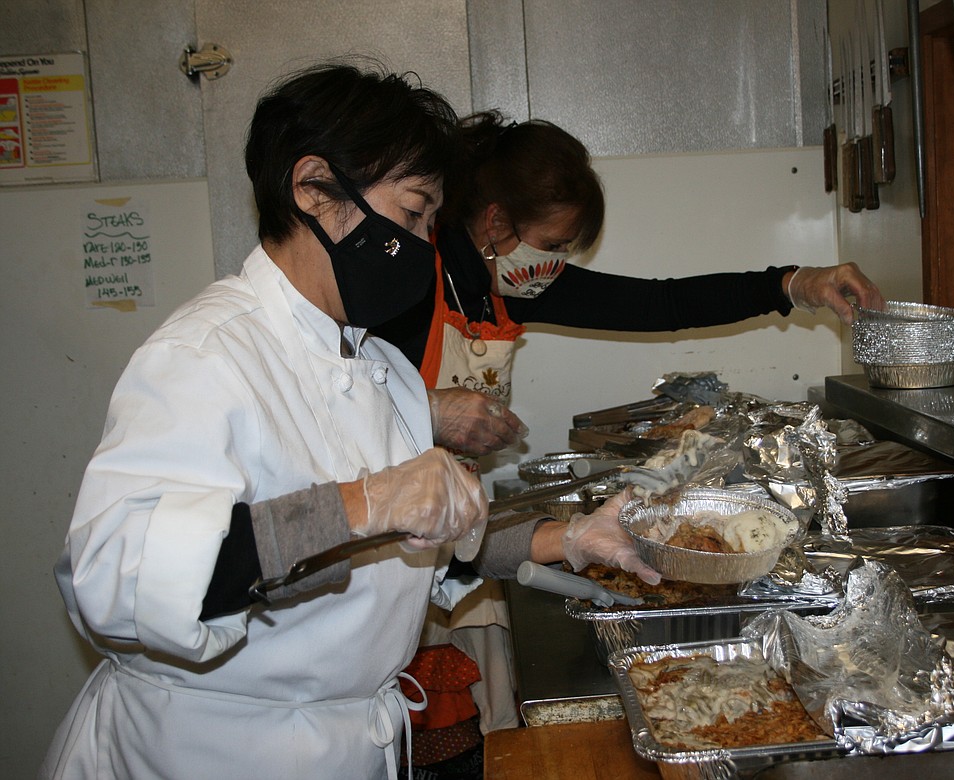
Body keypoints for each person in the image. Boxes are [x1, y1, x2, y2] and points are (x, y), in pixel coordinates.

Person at [39, 61, 656, 780]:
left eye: (432, 222)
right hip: (209, 751)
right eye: (411, 213)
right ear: (313, 189)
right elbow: (118, 577)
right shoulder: (207, 355)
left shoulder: (375, 365)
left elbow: (437, 547)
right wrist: (364, 502)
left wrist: (573, 539)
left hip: (343, 742)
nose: (426, 248)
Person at [373, 110, 886, 457]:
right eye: (552, 246)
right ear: (496, 222)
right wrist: (433, 411)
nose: (553, 267)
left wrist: (794, 285)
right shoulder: (408, 278)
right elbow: (337, 399)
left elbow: (661, 304)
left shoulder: (509, 286)